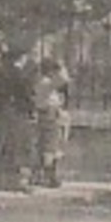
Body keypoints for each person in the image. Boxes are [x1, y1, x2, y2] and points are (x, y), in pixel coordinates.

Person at [32, 56, 70, 188]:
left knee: (47, 147)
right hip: (48, 116)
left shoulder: (42, 82)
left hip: (48, 115)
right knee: (50, 148)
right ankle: (47, 176)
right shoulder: (45, 83)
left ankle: (44, 175)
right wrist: (61, 67)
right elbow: (64, 80)